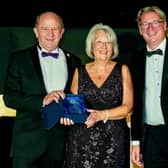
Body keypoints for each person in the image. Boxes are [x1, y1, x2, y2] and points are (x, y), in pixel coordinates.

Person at [3, 11, 81, 168]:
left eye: (55, 29)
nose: (50, 34)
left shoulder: (75, 61)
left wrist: (72, 113)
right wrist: (42, 100)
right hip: (27, 145)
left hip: (59, 146)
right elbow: (10, 98)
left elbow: (76, 98)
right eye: (45, 29)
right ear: (35, 31)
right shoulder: (19, 59)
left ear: (62, 32)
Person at [61, 23, 133, 168]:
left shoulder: (123, 70)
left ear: (113, 47)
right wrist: (67, 116)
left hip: (114, 143)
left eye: (108, 42)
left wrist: (101, 115)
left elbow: (128, 107)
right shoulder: (78, 71)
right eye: (99, 41)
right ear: (91, 46)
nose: (104, 46)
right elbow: (72, 108)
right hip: (81, 142)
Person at [131, 6, 168, 168]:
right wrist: (136, 141)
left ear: (165, 25)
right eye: (145, 24)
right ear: (140, 30)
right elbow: (135, 104)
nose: (150, 28)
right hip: (150, 137)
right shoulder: (135, 60)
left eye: (155, 22)